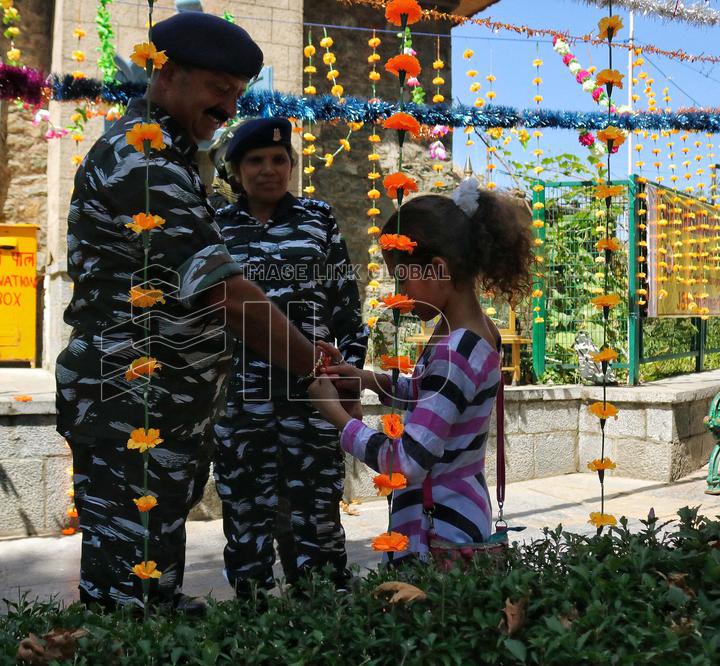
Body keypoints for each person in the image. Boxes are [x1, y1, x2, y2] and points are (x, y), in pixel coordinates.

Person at [55, 13, 328, 613]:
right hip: (131, 402)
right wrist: (313, 367)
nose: (228, 107)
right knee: (129, 590)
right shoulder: (142, 160)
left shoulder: (174, 157)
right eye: (218, 89)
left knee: (151, 570)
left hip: (164, 404)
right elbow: (221, 291)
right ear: (168, 73)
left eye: (237, 94)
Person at [308, 180, 533, 559]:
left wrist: (338, 420)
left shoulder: (457, 350)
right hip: (456, 514)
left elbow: (407, 462)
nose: (398, 292)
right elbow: (438, 397)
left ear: (438, 270)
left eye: (402, 276)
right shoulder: (474, 334)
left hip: (438, 535)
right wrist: (368, 378)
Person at [211, 118, 367, 600]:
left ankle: (324, 617)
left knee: (317, 519)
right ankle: (253, 622)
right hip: (240, 401)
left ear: (292, 166)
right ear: (237, 170)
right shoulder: (216, 226)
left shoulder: (317, 219)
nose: (268, 170)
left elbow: (346, 305)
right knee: (245, 521)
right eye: (255, 160)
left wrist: (350, 381)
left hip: (311, 399)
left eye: (280, 160)